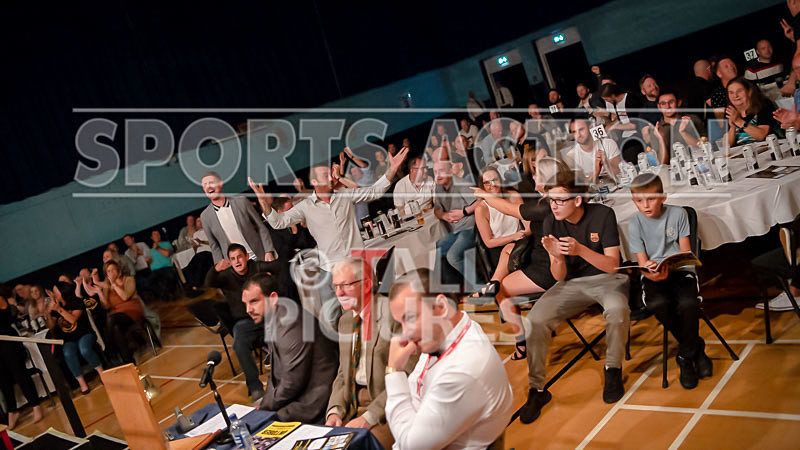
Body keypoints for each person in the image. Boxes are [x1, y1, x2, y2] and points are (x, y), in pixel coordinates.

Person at [249, 147, 408, 330]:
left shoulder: (345, 196)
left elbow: (375, 191)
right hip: (329, 270)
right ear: (315, 181)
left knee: (369, 310)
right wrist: (263, 202)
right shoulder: (305, 207)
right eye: (326, 174)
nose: (332, 176)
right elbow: (278, 222)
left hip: (356, 264)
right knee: (332, 319)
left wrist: (393, 168)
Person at [519, 168, 629, 423]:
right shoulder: (550, 222)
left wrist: (580, 250)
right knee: (533, 321)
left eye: (559, 200)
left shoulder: (603, 215)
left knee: (616, 310)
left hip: (607, 279)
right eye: (551, 200)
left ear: (577, 200)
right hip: (571, 283)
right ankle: (537, 389)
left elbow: (614, 265)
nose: (554, 206)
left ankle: (613, 368)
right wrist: (556, 257)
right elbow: (558, 277)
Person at [385, 268, 514, 449]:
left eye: (411, 318)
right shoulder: (447, 331)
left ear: (442, 307)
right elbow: (416, 383)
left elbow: (410, 446)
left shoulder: (462, 372)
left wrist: (394, 371)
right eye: (401, 322)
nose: (405, 333)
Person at [471, 158, 564, 361]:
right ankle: (494, 283)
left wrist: (520, 234)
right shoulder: (551, 201)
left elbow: (521, 218)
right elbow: (488, 242)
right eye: (488, 183)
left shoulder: (542, 204)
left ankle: (521, 342)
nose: (532, 176)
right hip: (512, 250)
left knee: (502, 290)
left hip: (537, 256)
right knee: (507, 250)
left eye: (536, 174)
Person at [627, 174, 713, 389]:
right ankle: (695, 348)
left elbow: (685, 251)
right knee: (658, 304)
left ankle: (684, 356)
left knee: (688, 304)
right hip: (654, 274)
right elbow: (642, 261)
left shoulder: (678, 213)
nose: (645, 205)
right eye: (639, 200)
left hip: (680, 269)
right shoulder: (634, 223)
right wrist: (651, 274)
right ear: (633, 201)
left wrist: (673, 265)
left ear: (663, 197)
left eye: (651, 199)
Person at [325, 257, 417, 449]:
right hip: (351, 407)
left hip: (387, 408)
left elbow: (408, 373)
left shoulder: (393, 314)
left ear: (366, 285)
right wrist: (334, 411)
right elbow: (343, 375)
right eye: (335, 286)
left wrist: (370, 416)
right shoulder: (345, 321)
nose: (339, 293)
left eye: (345, 285)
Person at [241, 273, 338, 423]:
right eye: (245, 304)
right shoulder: (276, 317)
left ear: (273, 298)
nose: (248, 309)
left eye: (254, 301)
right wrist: (263, 404)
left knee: (259, 426)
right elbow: (274, 377)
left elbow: (292, 383)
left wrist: (265, 408)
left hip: (313, 400)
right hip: (298, 395)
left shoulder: (290, 324)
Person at [204, 243, 282, 401]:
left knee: (286, 327)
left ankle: (287, 376)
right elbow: (209, 282)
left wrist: (271, 277)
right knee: (239, 344)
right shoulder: (226, 276)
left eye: (239, 257)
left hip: (267, 316)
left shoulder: (256, 267)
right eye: (233, 259)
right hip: (244, 322)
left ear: (247, 256)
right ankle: (255, 388)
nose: (237, 261)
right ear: (230, 262)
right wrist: (216, 269)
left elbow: (277, 267)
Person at [199, 171, 276, 264]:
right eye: (205, 185)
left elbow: (261, 227)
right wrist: (220, 264)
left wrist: (268, 251)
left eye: (211, 183)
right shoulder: (205, 216)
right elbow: (214, 245)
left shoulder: (242, 201)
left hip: (259, 257)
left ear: (220, 184)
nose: (208, 187)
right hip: (236, 266)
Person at [472, 166, 526, 297]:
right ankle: (493, 286)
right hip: (498, 248)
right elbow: (489, 242)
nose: (492, 185)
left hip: (520, 242)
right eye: (487, 183)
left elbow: (526, 222)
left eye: (495, 180)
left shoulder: (513, 195)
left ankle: (492, 286)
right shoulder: (481, 208)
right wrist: (513, 236)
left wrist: (524, 234)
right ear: (482, 186)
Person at [45, 281, 103, 394]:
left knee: (84, 349)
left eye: (55, 291)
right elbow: (51, 326)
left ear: (62, 291)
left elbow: (72, 319)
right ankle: (82, 383)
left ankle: (102, 373)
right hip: (69, 339)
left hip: (84, 334)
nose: (53, 293)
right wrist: (48, 313)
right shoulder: (57, 307)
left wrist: (58, 310)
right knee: (68, 353)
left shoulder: (76, 301)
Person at [433, 159, 481, 290]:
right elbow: (436, 210)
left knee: (453, 256)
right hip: (455, 231)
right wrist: (443, 215)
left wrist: (464, 212)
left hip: (471, 228)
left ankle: (480, 287)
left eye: (441, 171)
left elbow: (481, 200)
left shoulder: (460, 184)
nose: (438, 175)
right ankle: (455, 289)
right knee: (437, 251)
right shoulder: (438, 187)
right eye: (435, 172)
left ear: (450, 171)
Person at [0, 294, 43, 429]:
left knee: (20, 374)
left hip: (9, 341)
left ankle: (35, 405)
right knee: (3, 379)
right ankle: (12, 411)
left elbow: (6, 316)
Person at [93, 261, 145, 366]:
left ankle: (109, 349)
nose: (111, 273)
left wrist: (114, 285)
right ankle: (129, 361)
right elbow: (106, 306)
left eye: (113, 270)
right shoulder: (106, 287)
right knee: (116, 328)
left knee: (112, 319)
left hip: (132, 311)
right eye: (108, 271)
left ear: (118, 271)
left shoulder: (129, 280)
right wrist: (100, 293)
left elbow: (125, 297)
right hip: (116, 316)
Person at [564, 118, 621, 184]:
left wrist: (606, 164)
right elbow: (584, 186)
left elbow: (618, 175)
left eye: (581, 130)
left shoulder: (608, 144)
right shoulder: (571, 156)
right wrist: (596, 170)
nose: (578, 135)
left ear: (590, 127)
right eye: (574, 132)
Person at [601, 83, 647, 163]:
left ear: (612, 95)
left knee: (629, 156)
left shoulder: (630, 99)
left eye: (606, 99)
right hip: (624, 135)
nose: (606, 101)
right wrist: (609, 125)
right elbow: (621, 118)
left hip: (636, 135)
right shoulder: (616, 103)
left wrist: (614, 127)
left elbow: (634, 125)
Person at [725, 77, 777, 147]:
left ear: (749, 92)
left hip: (768, 149)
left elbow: (761, 136)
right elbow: (727, 145)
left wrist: (739, 121)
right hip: (743, 153)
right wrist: (732, 127)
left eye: (739, 91)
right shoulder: (730, 111)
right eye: (731, 92)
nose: (735, 95)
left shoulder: (763, 105)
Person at [148, 230, 179, 302]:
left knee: (170, 276)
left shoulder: (166, 244)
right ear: (152, 238)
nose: (156, 236)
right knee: (150, 281)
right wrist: (148, 262)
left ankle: (169, 295)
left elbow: (167, 254)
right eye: (154, 235)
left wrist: (158, 248)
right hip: (155, 270)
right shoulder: (150, 250)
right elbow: (150, 264)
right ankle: (165, 295)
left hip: (166, 267)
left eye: (158, 234)